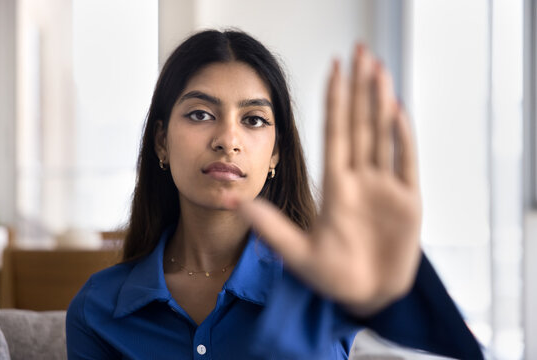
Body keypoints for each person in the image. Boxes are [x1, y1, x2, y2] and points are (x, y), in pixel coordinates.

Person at [66, 29, 483, 359]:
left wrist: (397, 297)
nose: (228, 139)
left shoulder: (328, 288)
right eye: (200, 114)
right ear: (161, 141)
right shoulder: (98, 309)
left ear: (276, 154)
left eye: (253, 119)